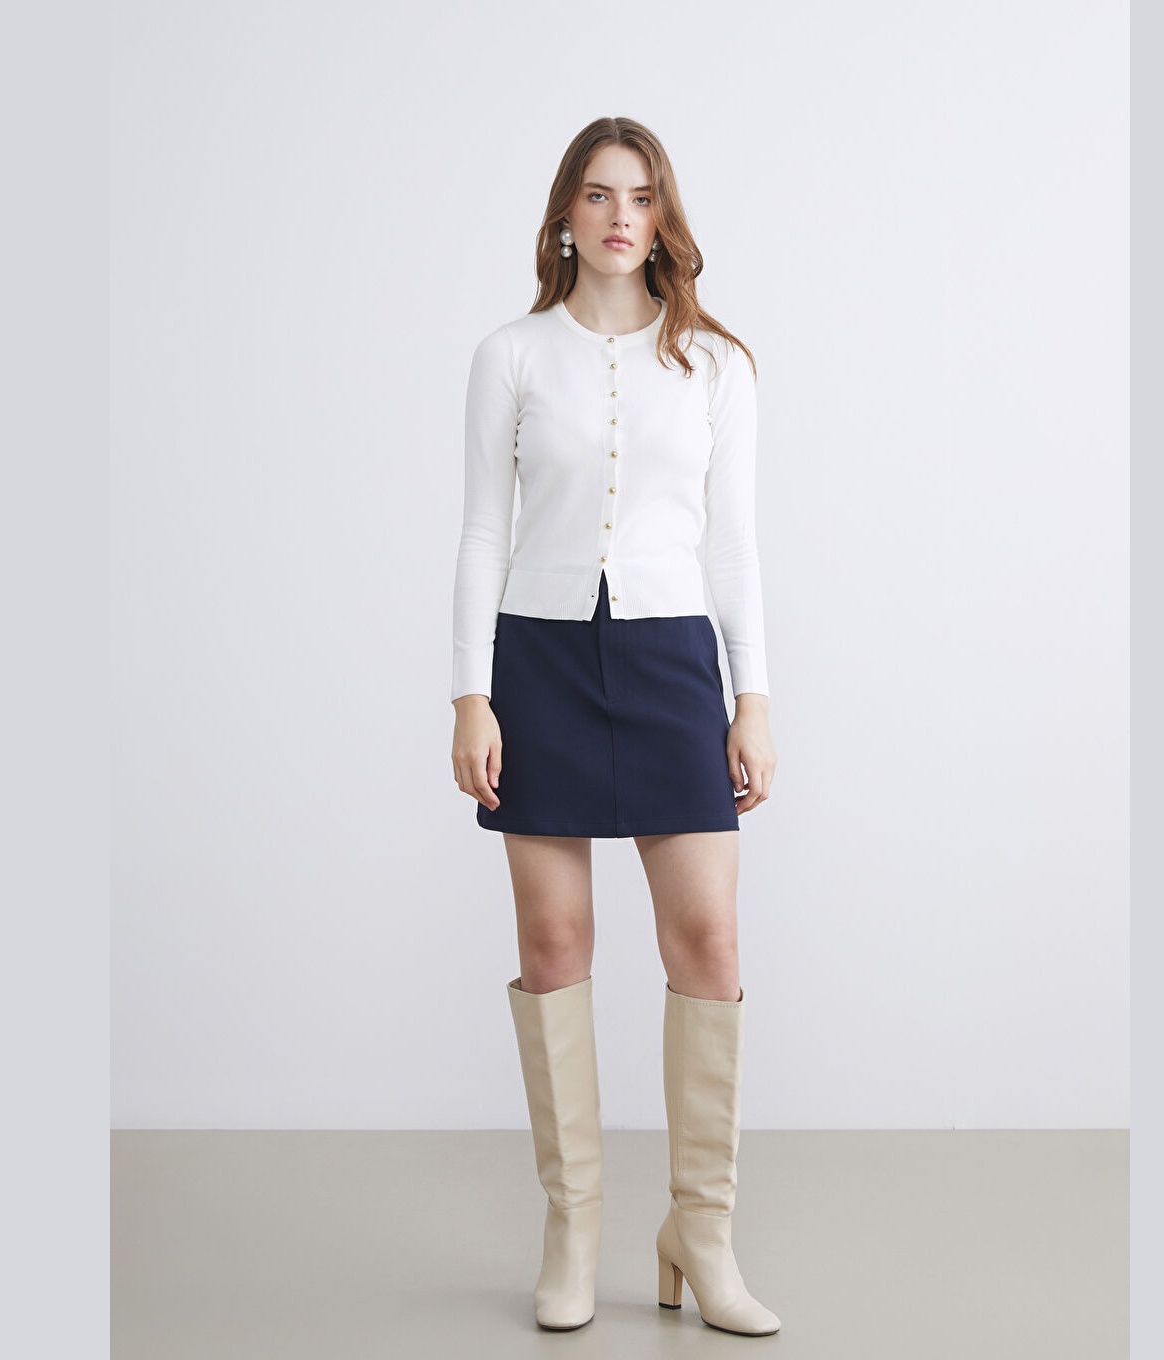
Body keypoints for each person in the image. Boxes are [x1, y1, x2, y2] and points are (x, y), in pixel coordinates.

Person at [449, 116, 780, 1336]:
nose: (619, 216)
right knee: (554, 942)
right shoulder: (510, 356)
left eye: (640, 197)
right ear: (564, 218)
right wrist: (469, 691)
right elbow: (482, 529)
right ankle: (574, 1227)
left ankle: (702, 1229)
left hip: (669, 660)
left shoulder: (716, 364)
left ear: (663, 217)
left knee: (707, 940)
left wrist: (752, 696)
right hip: (537, 661)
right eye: (597, 195)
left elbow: (733, 544)